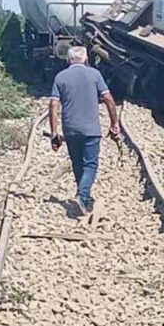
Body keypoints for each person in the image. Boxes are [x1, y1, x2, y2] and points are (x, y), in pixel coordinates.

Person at [49, 46, 120, 215]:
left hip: (70, 129)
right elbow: (108, 98)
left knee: (77, 163)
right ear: (86, 59)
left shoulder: (60, 77)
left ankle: (85, 197)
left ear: (68, 59)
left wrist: (54, 133)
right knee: (90, 164)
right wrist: (114, 123)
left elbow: (53, 105)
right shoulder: (95, 74)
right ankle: (82, 195)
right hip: (91, 129)